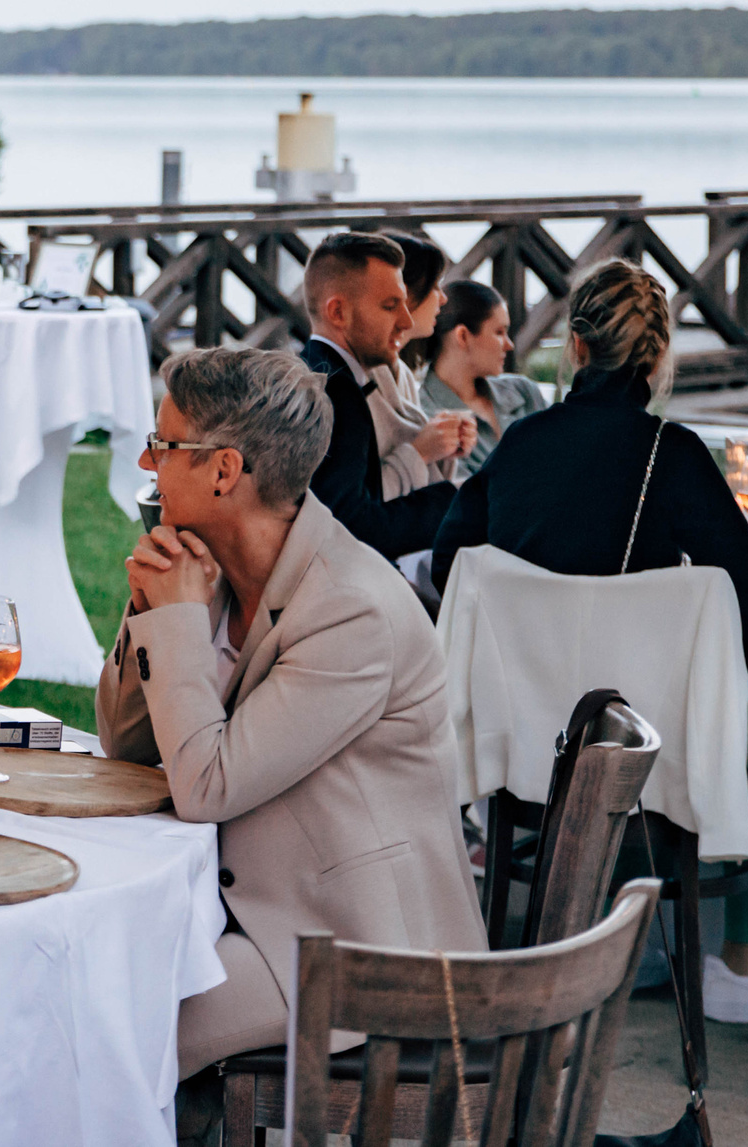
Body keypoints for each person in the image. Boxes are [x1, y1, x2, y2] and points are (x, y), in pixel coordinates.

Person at [433, 260, 748, 1024]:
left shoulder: (518, 444)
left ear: (576, 347)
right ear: (655, 360)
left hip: (526, 735)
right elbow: (745, 583)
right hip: (636, 733)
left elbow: (452, 564)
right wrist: (712, 690)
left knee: (634, 727)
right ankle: (736, 964)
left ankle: (622, 931)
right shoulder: (671, 452)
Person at [95, 346, 484, 1082]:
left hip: (353, 947)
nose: (147, 464)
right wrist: (152, 607)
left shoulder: (349, 611)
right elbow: (126, 742)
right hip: (257, 909)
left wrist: (177, 622)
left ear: (224, 471)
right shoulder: (219, 565)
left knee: (114, 1030)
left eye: (162, 444)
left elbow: (205, 785)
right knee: (89, 982)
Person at [296, 231, 456, 560]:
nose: (406, 321)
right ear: (337, 312)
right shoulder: (336, 393)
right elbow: (348, 529)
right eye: (390, 306)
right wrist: (452, 502)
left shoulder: (319, 371)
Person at [371, 232, 474, 501]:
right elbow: (363, 500)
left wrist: (444, 446)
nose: (443, 299)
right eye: (435, 286)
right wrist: (422, 451)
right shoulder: (361, 377)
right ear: (401, 293)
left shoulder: (401, 373)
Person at [416, 280, 546, 479]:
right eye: (499, 332)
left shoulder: (525, 391)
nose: (509, 345)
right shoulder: (424, 418)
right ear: (463, 336)